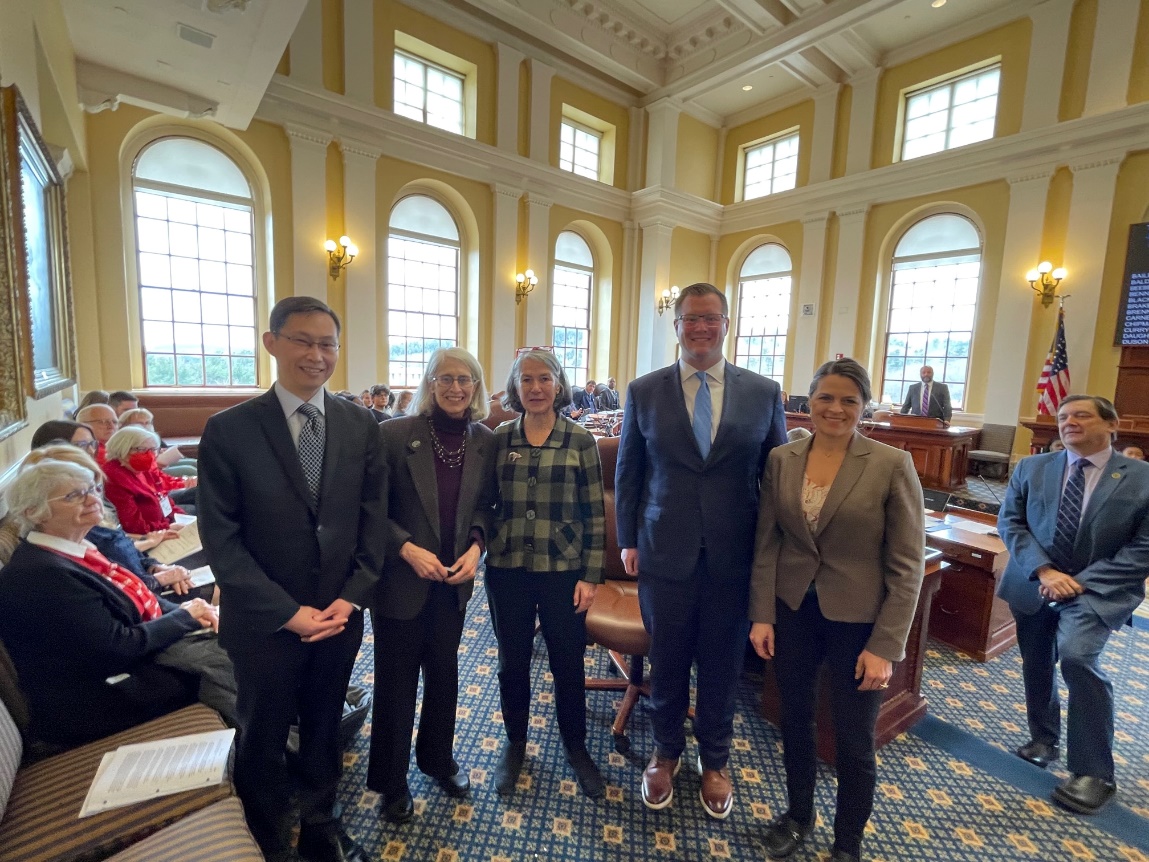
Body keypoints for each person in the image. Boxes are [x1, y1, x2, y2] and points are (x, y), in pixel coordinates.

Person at [197, 296, 386, 862]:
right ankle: (266, 830)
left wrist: (350, 600)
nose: (316, 354)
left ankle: (321, 821)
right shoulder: (229, 430)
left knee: (326, 723)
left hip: (338, 616)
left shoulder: (361, 424)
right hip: (263, 624)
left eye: (327, 343)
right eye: (303, 340)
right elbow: (221, 543)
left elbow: (373, 524)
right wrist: (287, 611)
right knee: (264, 729)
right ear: (272, 342)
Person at [615, 282, 787, 819]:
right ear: (677, 326)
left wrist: (774, 553)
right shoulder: (645, 390)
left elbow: (776, 475)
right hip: (663, 548)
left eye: (711, 318)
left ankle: (715, 760)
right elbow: (629, 472)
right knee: (666, 660)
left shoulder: (764, 392)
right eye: (691, 319)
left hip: (734, 556)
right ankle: (665, 752)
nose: (701, 328)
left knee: (720, 663)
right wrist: (626, 539)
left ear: (727, 324)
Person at [749, 358, 925, 862]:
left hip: (859, 622)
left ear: (864, 406)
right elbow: (767, 544)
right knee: (795, 720)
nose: (836, 408)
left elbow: (906, 565)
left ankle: (848, 842)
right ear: (810, 400)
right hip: (793, 613)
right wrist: (762, 613)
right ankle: (799, 815)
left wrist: (886, 646)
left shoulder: (892, 463)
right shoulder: (783, 458)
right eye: (826, 397)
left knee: (853, 739)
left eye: (849, 399)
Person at [0, 460, 226, 747]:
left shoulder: (75, 550)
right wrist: (185, 617)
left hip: (124, 667)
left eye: (92, 489)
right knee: (235, 658)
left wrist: (198, 610)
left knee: (236, 640)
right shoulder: (42, 573)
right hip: (95, 702)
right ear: (33, 512)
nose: (93, 499)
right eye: (74, 495)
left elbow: (137, 600)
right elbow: (119, 646)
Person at [996, 394, 1149, 815]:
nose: (1069, 422)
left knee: (1078, 659)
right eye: (1063, 416)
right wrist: (1045, 572)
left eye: (1081, 415)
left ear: (1111, 424)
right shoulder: (1032, 467)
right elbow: (1010, 522)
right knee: (1037, 662)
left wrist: (1077, 583)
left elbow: (1144, 548)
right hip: (1034, 583)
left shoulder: (1140, 477)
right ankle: (1044, 739)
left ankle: (1094, 772)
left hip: (1098, 591)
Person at [367, 348, 494, 822]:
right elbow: (368, 508)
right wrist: (404, 548)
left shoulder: (484, 440)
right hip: (401, 581)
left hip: (453, 583)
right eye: (446, 378)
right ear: (429, 383)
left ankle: (438, 760)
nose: (456, 387)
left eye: (465, 379)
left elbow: (486, 506)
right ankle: (391, 782)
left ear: (477, 387)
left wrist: (476, 548)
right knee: (395, 684)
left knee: (444, 678)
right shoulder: (393, 434)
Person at [484, 349, 607, 799]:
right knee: (511, 662)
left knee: (567, 662)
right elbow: (484, 503)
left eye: (544, 379)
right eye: (526, 380)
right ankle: (515, 743)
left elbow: (595, 514)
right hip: (508, 567)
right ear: (515, 387)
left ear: (559, 384)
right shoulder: (499, 438)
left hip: (564, 571)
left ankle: (576, 746)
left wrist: (591, 575)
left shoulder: (580, 441)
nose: (535, 388)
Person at [102, 426, 194, 533]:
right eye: (142, 449)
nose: (149, 455)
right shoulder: (114, 478)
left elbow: (164, 499)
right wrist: (167, 528)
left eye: (153, 450)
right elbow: (133, 527)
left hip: (166, 525)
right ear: (123, 448)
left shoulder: (144, 469)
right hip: (151, 536)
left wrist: (184, 519)